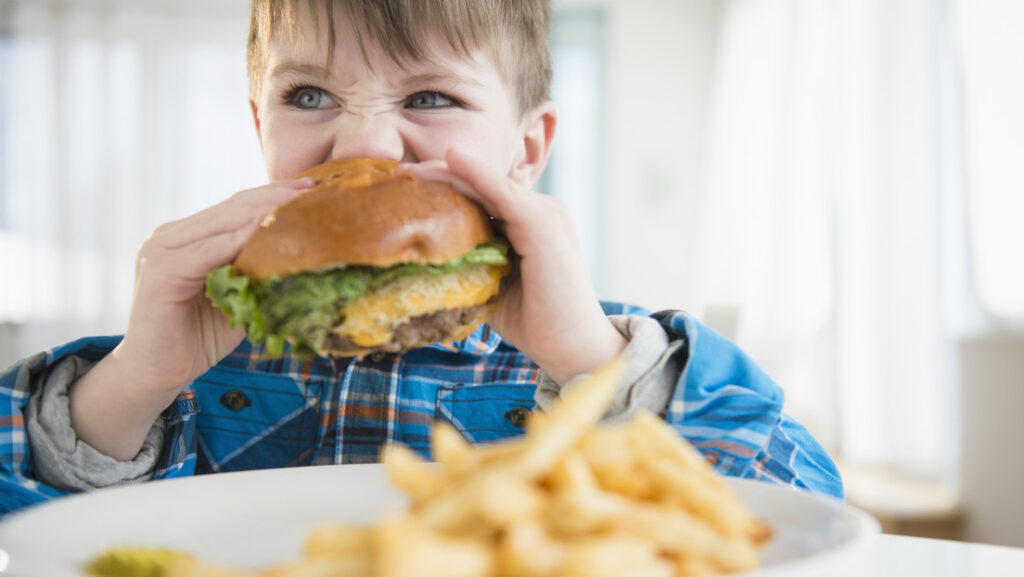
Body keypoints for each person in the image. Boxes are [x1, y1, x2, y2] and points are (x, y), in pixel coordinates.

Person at [0, 0, 841, 516]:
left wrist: (595, 363)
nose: (362, 142)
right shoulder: (188, 358)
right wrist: (130, 380)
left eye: (431, 97)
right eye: (309, 95)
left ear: (526, 146)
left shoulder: (595, 352)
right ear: (260, 124)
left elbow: (799, 513)